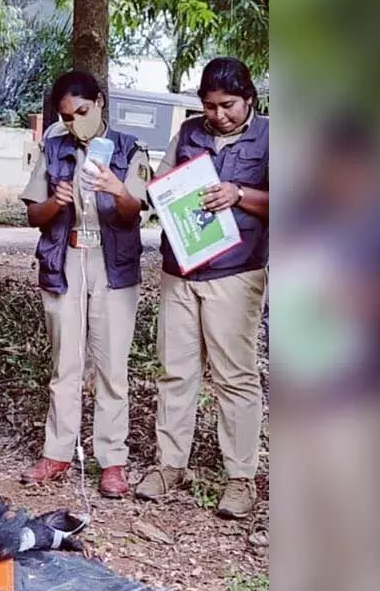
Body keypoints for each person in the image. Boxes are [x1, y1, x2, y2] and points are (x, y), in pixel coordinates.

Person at [134, 57, 269, 519]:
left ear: (248, 98)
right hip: (179, 272)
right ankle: (170, 466)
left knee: (235, 378)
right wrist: (159, 190)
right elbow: (160, 185)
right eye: (209, 106)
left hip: (236, 272)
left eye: (227, 105)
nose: (218, 115)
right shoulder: (188, 133)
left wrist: (240, 194)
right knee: (175, 372)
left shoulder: (271, 137)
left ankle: (240, 479)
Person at [18, 72, 152, 498]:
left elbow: (135, 213)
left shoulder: (129, 149)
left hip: (112, 264)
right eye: (66, 116)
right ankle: (57, 451)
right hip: (67, 258)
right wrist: (54, 203)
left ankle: (112, 460)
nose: (74, 122)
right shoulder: (54, 147)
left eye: (82, 112)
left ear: (99, 104)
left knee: (112, 366)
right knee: (66, 363)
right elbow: (32, 216)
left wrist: (116, 188)